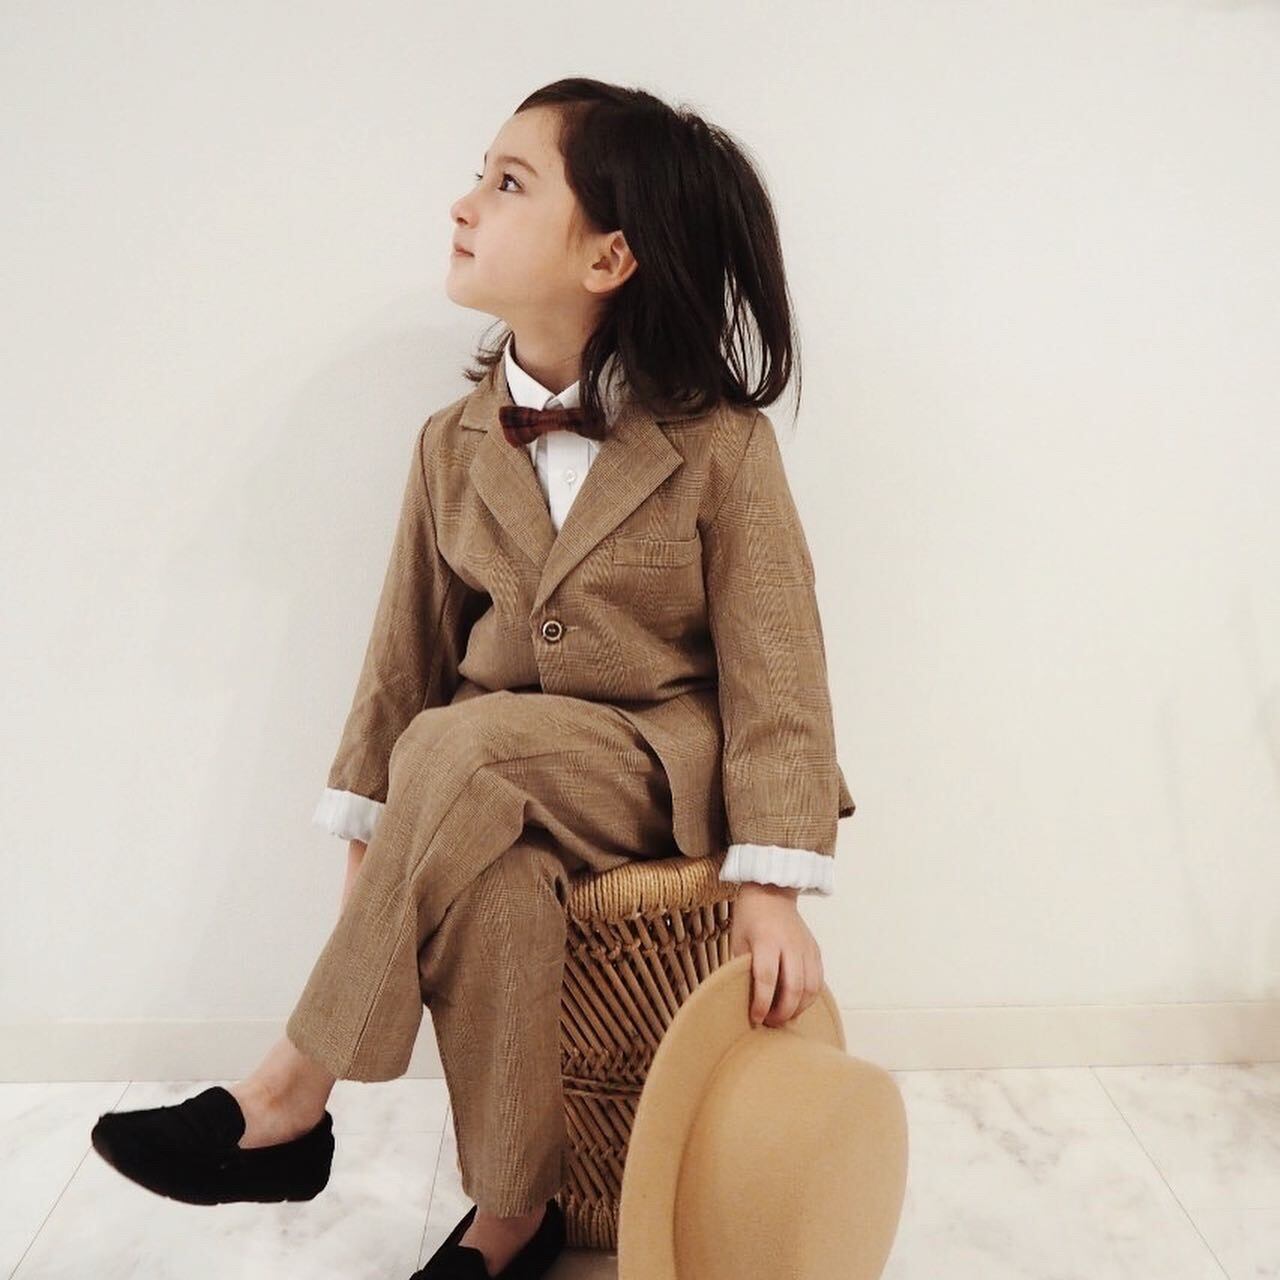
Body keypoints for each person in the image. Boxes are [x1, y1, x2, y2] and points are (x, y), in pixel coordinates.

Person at [90, 77, 855, 1280]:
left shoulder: (719, 443)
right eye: (476, 175)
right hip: (486, 783)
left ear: (607, 257)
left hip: (651, 763)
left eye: (507, 184)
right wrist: (372, 844)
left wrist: (772, 883)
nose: (462, 204)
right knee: (495, 881)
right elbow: (401, 654)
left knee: (457, 740)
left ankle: (290, 1091)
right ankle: (512, 1213)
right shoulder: (448, 445)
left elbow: (780, 668)